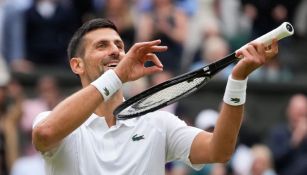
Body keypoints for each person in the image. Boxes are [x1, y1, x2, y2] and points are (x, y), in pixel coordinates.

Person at [32, 18, 279, 174]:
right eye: (102, 46)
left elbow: (220, 150)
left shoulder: (158, 124)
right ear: (77, 65)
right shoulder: (53, 122)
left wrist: (238, 79)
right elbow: (45, 134)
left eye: (119, 45)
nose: (115, 51)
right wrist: (116, 77)